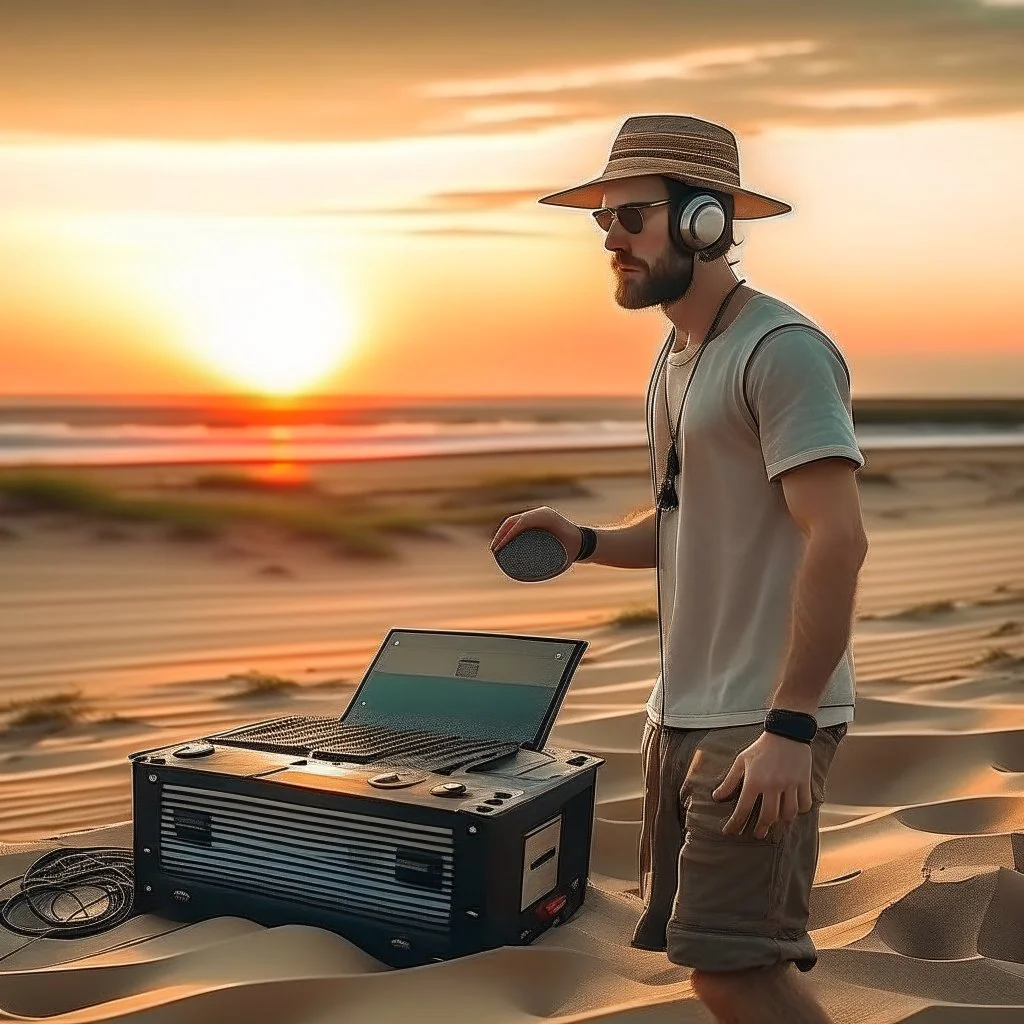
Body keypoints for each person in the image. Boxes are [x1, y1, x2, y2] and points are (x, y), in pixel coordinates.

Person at [489, 114, 868, 1024]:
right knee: (709, 960)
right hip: (684, 714)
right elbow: (683, 524)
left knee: (736, 970)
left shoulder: (782, 352)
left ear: (705, 220)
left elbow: (837, 537)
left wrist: (790, 724)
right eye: (602, 221)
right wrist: (582, 540)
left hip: (761, 719)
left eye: (631, 217)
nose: (611, 240)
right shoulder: (677, 354)